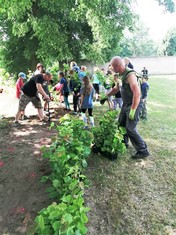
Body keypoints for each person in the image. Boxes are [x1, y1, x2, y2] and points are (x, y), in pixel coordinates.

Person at [106, 56, 150, 159]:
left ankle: (143, 150)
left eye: (112, 67)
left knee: (130, 129)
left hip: (134, 104)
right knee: (121, 124)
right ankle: (123, 143)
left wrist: (133, 110)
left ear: (117, 65)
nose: (112, 69)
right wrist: (106, 95)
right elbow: (116, 88)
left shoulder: (130, 75)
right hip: (126, 104)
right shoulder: (120, 75)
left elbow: (137, 93)